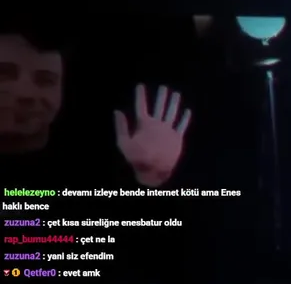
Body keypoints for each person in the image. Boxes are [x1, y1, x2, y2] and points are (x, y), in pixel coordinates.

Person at [0, 17, 192, 187]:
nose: (25, 93)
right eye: (4, 74)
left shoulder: (84, 169)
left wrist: (151, 174)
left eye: (46, 80)